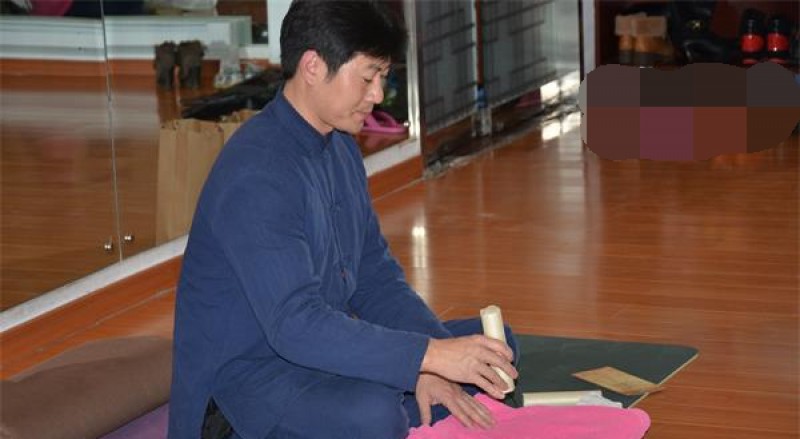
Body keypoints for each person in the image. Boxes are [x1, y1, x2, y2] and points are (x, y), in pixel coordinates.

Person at [168, 1, 519, 438]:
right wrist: (425, 358)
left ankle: (414, 394)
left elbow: (376, 279)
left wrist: (437, 359)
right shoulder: (256, 173)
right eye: (368, 77)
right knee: (375, 415)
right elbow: (295, 326)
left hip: (317, 356)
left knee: (494, 350)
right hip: (244, 391)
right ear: (313, 66)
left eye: (383, 77)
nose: (378, 95)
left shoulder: (339, 147)